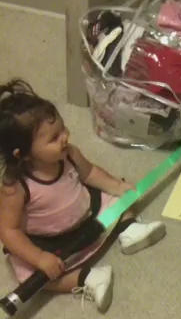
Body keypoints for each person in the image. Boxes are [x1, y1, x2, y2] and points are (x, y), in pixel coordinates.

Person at [0, 79, 167, 312]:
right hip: (50, 242)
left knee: (114, 196)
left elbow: (90, 173)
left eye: (63, 129)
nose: (65, 137)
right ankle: (88, 278)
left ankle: (129, 229)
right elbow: (8, 231)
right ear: (23, 154)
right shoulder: (15, 187)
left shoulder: (69, 154)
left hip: (87, 213)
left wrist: (117, 187)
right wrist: (39, 258)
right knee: (27, 275)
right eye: (54, 138)